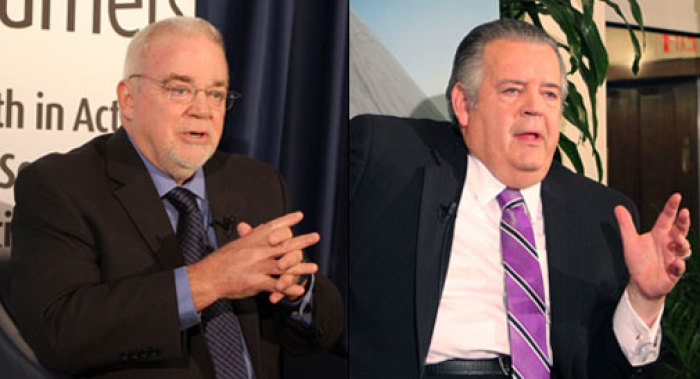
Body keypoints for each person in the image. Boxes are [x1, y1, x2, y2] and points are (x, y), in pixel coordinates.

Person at [349, 19, 691, 378]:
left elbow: (602, 370)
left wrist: (644, 299)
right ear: (464, 104)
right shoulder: (387, 158)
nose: (535, 108)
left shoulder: (601, 214)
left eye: (549, 93)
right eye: (513, 90)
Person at [9, 16, 342, 379]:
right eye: (180, 89)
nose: (203, 109)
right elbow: (59, 334)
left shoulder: (257, 183)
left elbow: (321, 333)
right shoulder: (61, 186)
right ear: (128, 99)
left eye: (216, 93)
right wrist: (209, 280)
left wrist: (297, 291)